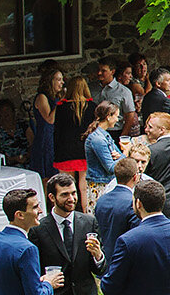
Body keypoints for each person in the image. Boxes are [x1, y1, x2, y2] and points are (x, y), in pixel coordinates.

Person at [92, 158, 142, 295]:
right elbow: (136, 236)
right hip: (126, 263)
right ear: (135, 178)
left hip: (105, 260)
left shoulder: (102, 200)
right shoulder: (132, 203)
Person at [51, 75, 93, 211]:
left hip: (65, 149)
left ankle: (67, 211)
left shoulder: (61, 107)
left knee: (66, 184)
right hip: (84, 149)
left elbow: (56, 131)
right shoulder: (92, 106)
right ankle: (86, 211)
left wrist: (56, 152)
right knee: (84, 185)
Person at [83, 101, 124, 199]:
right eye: (116, 116)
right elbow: (111, 168)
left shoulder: (105, 135)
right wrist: (125, 151)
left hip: (107, 183)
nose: (117, 120)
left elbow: (123, 158)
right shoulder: (98, 139)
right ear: (108, 116)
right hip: (99, 186)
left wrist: (120, 157)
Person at [91, 60, 136, 137]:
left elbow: (130, 115)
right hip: (95, 130)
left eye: (103, 71)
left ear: (112, 71)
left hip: (114, 131)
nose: (99, 73)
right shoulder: (91, 88)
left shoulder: (124, 91)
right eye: (98, 70)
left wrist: (123, 135)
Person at [0, 98, 30, 167]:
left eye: (8, 110)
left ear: (13, 112)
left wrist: (26, 156)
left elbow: (33, 144)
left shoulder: (24, 126)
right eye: (2, 112)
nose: (6, 114)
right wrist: (13, 159)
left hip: (27, 162)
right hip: (8, 165)